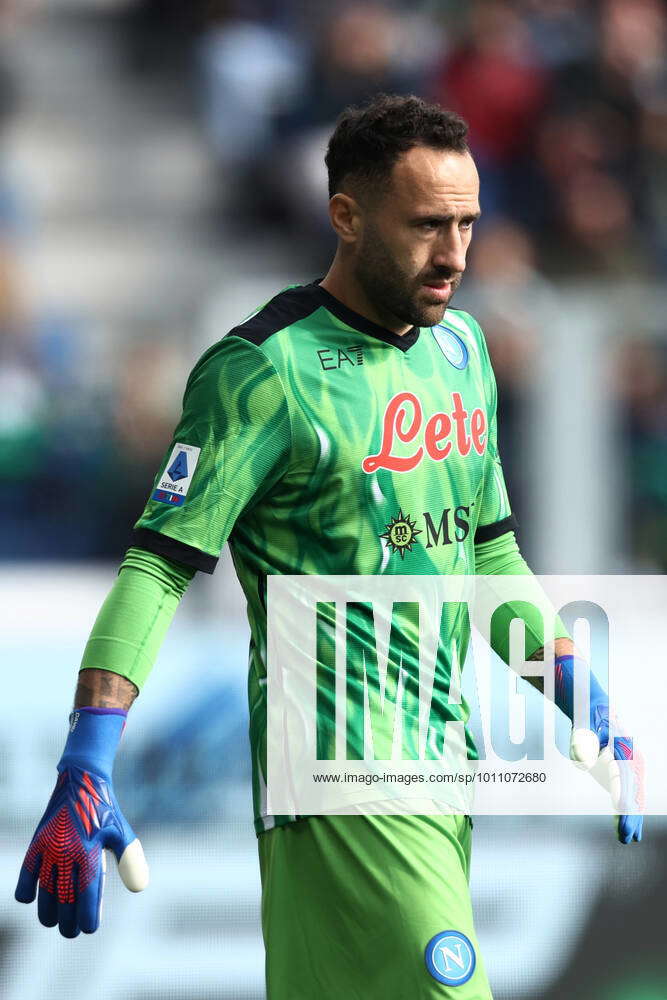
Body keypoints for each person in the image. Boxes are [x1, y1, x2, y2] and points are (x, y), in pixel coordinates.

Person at [15, 94, 642, 998]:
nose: (456, 255)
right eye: (428, 225)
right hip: (347, 771)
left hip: (438, 768)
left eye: (467, 223)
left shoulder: (462, 349)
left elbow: (489, 557)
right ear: (345, 216)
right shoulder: (261, 371)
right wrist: (89, 757)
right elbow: (158, 564)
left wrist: (588, 707)